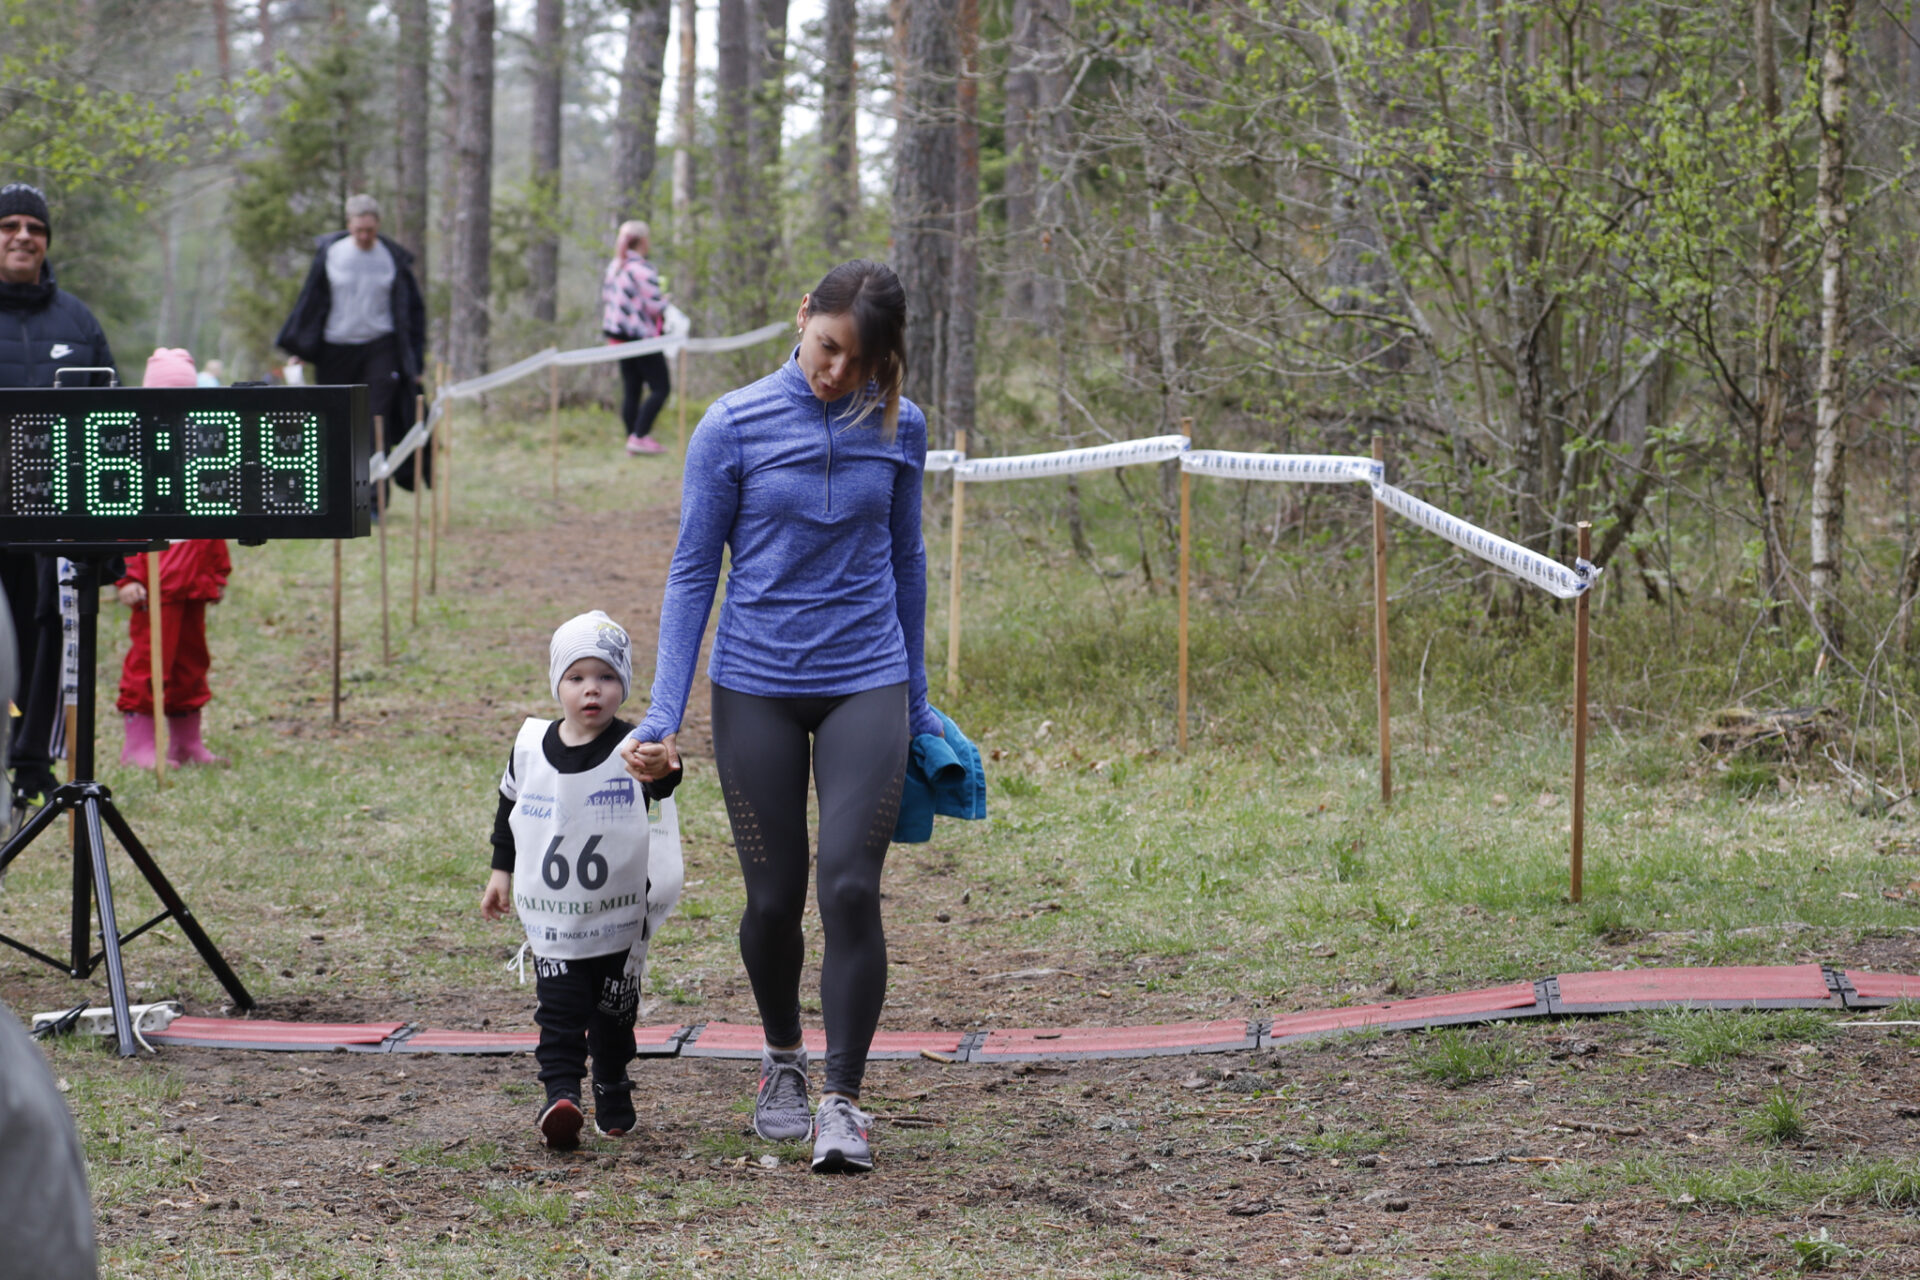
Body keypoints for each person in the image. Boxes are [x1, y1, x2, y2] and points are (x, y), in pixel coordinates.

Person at [620, 260, 939, 1174]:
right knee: (772, 899)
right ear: (803, 316)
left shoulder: (901, 426)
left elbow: (908, 561)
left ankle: (843, 1101)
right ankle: (783, 1060)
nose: (837, 372)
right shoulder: (732, 424)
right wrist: (663, 711)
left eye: (859, 361)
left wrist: (917, 703)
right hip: (755, 683)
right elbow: (694, 569)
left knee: (849, 888)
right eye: (828, 346)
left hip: (865, 679)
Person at [482, 611, 681, 1150]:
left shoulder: (634, 746)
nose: (591, 689)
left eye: (606, 676)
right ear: (557, 683)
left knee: (614, 1017)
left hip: (618, 920)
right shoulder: (530, 746)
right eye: (576, 677)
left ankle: (612, 1082)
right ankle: (560, 1096)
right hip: (556, 921)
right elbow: (509, 811)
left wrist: (661, 765)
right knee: (560, 1010)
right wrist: (500, 871)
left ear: (624, 684)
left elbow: (664, 782)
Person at [0, 182, 116, 808]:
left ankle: (30, 763)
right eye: (9, 225)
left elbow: (112, 427)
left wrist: (110, 535)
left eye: (35, 228)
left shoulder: (78, 322)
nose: (23, 236)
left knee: (47, 634)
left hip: (52, 519)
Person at [113, 349, 232, 769]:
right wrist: (127, 577)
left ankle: (186, 740)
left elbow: (214, 519)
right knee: (149, 662)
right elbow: (124, 525)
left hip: (193, 582)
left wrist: (217, 571)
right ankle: (139, 743)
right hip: (154, 587)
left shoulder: (203, 455)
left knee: (190, 662)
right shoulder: (135, 459)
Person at [276, 193, 430, 489]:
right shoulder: (330, 254)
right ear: (348, 224)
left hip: (380, 346)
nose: (364, 236)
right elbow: (311, 303)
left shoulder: (393, 259)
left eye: (370, 230)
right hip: (334, 348)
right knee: (334, 419)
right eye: (359, 230)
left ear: (378, 225)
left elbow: (413, 312)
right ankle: (336, 493)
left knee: (375, 421)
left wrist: (414, 362)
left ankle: (372, 498)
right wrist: (301, 347)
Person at [600, 220, 670, 456]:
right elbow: (654, 306)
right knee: (661, 388)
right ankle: (639, 436)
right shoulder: (642, 269)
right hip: (641, 337)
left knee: (632, 389)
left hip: (618, 336)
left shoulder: (615, 267)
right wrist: (666, 300)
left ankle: (632, 439)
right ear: (643, 241)